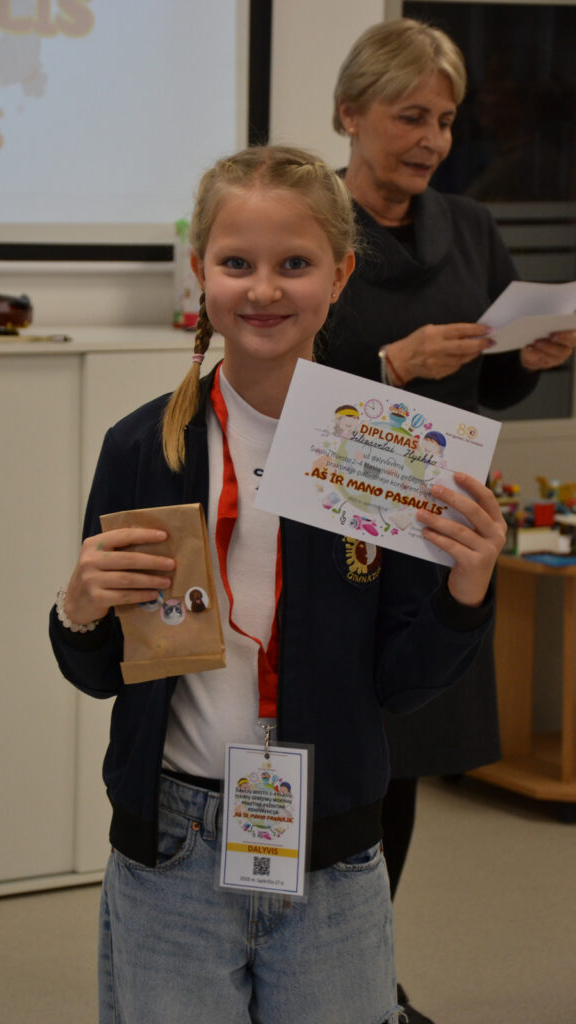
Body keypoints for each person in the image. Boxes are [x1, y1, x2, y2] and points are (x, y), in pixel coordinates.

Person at [49, 144, 506, 1024]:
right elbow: (101, 672)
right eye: (236, 264)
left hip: (331, 846)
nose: (263, 290)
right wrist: (77, 608)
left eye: (294, 264)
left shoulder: (380, 452)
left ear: (339, 276)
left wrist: (467, 591)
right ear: (200, 273)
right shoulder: (143, 447)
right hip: (169, 845)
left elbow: (403, 684)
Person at [327, 18, 576, 1023]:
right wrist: (390, 365)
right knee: (329, 764)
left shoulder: (469, 228)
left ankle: (364, 979)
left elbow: (486, 384)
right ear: (348, 115)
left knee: (400, 767)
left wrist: (526, 360)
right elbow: (263, 384)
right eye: (408, 116)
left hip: (431, 532)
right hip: (331, 528)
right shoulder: (303, 225)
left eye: (443, 120)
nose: (430, 139)